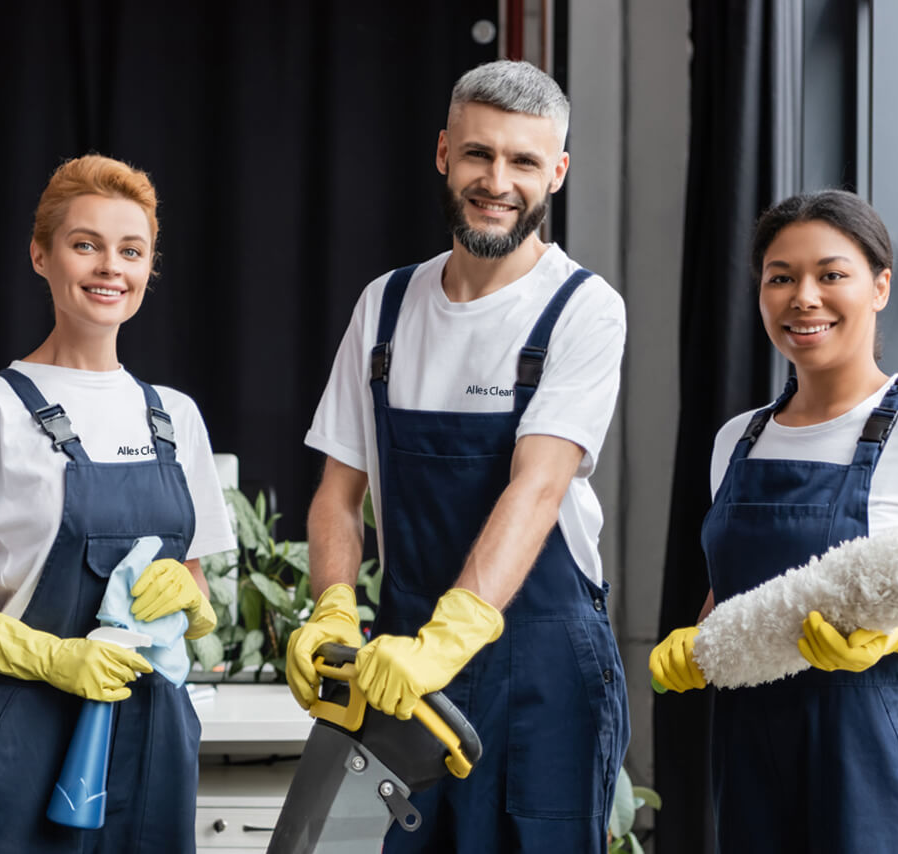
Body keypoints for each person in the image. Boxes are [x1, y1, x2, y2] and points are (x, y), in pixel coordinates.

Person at [287, 59, 631, 852]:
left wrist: (450, 639)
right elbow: (340, 491)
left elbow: (538, 488)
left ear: (559, 172)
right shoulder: (387, 304)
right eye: (479, 154)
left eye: (524, 162)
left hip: (539, 672)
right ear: (444, 152)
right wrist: (335, 607)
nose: (497, 181)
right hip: (399, 663)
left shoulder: (582, 308)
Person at [0, 153, 236, 853]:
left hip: (156, 736)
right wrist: (46, 656)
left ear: (147, 269)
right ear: (41, 255)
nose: (111, 267)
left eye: (130, 251)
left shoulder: (174, 417)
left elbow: (193, 578)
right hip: (32, 733)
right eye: (87, 245)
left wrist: (194, 604)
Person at [651, 189, 898, 852]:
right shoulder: (739, 439)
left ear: (879, 286)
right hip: (755, 759)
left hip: (884, 764)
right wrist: (697, 642)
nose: (803, 297)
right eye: (780, 277)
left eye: (831, 275)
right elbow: (736, 590)